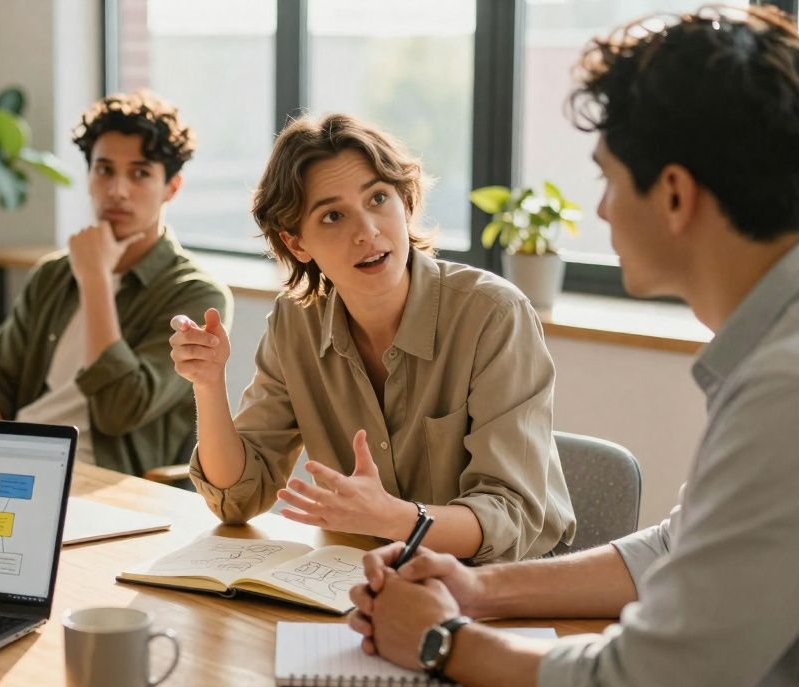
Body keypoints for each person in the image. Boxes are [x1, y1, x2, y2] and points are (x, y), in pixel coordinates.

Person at [350, 7, 799, 687]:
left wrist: (442, 640)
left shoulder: (785, 390)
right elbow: (676, 547)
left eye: (609, 180)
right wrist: (478, 590)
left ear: (676, 194)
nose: (602, 211)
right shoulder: (774, 354)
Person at [171, 114, 574, 563]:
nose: (367, 231)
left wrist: (393, 518)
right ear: (297, 243)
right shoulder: (296, 323)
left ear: (406, 202)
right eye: (333, 216)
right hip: (361, 578)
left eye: (378, 198)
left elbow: (509, 517)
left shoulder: (493, 315)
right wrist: (207, 384)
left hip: (501, 583)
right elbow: (238, 499)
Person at [0, 90, 232, 477]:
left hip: (105, 480)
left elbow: (119, 410)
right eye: (104, 170)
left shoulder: (195, 293)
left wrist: (95, 280)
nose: (117, 190)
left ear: (172, 187)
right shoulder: (54, 274)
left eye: (140, 173)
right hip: (19, 463)